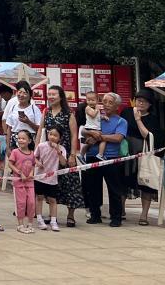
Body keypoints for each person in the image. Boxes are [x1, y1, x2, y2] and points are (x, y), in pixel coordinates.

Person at [82, 92, 128, 227]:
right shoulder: (97, 117)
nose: (106, 105)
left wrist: (100, 137)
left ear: (117, 106)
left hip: (111, 158)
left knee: (114, 189)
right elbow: (83, 130)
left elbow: (118, 138)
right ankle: (95, 215)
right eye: (104, 102)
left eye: (110, 102)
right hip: (92, 156)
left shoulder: (121, 121)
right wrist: (91, 133)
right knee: (93, 187)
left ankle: (116, 217)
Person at [39, 85, 82, 227]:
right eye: (49, 94)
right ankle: (53, 215)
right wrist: (36, 152)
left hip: (65, 152)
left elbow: (74, 135)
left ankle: (71, 215)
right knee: (50, 183)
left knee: (70, 183)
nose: (51, 97)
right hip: (49, 155)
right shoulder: (46, 112)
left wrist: (73, 155)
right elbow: (40, 131)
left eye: (54, 94)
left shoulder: (69, 114)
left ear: (61, 97)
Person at [122, 90, 160, 226]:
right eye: (139, 100)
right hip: (127, 152)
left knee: (146, 184)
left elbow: (147, 136)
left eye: (145, 101)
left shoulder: (152, 118)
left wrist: (138, 119)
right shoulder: (126, 112)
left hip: (144, 153)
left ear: (150, 104)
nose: (141, 103)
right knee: (123, 181)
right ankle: (121, 210)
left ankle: (144, 215)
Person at [34, 127, 66, 231]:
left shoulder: (62, 149)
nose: (52, 137)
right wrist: (38, 163)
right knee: (39, 197)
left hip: (52, 179)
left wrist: (58, 151)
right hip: (40, 176)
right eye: (50, 134)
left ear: (60, 138)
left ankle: (53, 221)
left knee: (52, 199)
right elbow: (34, 157)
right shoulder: (41, 146)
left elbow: (63, 163)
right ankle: (39, 219)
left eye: (55, 135)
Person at [7, 130, 37, 234]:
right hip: (19, 183)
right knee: (21, 203)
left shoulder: (32, 153)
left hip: (30, 183)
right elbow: (10, 164)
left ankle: (30, 224)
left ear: (29, 141)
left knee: (31, 202)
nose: (20, 140)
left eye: (23, 138)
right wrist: (20, 173)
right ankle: (20, 224)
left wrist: (31, 173)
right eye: (19, 138)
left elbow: (33, 165)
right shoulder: (15, 152)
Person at [1, 82, 42, 148]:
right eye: (19, 92)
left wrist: (28, 122)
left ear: (30, 96)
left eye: (25, 93)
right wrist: (8, 147)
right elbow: (9, 128)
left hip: (30, 140)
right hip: (15, 139)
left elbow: (39, 129)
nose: (21, 95)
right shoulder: (13, 107)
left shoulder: (34, 109)